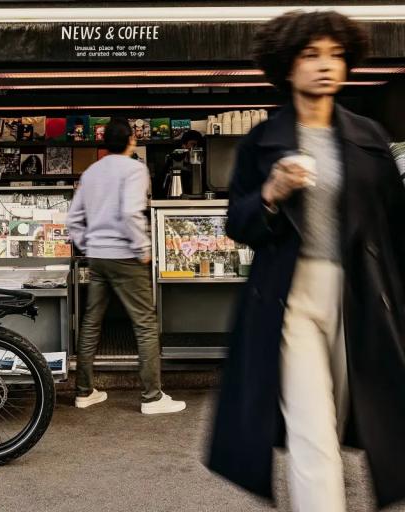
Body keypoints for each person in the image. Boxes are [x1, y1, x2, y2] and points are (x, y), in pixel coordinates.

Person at [207, 10, 405, 511]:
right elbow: (237, 224)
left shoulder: (368, 138)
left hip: (362, 294)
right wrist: (270, 194)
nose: (325, 65)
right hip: (289, 297)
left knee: (358, 415)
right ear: (287, 66)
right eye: (311, 54)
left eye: (336, 55)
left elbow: (394, 223)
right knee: (311, 425)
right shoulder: (262, 141)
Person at [67, 118, 186, 415]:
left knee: (91, 323)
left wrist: (90, 243)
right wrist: (143, 248)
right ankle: (152, 397)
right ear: (132, 140)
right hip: (126, 256)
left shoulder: (91, 172)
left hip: (98, 257)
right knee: (145, 324)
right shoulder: (135, 169)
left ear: (104, 142)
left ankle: (84, 391)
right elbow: (131, 212)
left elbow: (72, 220)